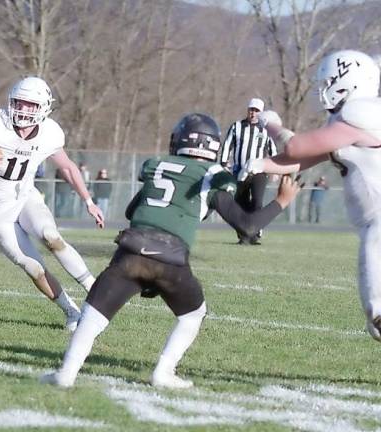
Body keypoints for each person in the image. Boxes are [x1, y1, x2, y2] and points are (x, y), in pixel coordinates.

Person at [41, 113, 301, 389]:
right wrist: (281, 202)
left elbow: (132, 211)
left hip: (131, 252)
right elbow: (248, 226)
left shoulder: (158, 165)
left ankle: (66, 373)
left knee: (94, 312)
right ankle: (163, 372)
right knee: (192, 315)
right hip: (171, 258)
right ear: (212, 145)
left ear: (178, 141)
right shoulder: (213, 175)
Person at [238, 49, 381, 342]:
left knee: (377, 310)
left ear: (348, 81)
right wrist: (261, 164)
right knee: (375, 319)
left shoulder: (362, 112)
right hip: (373, 225)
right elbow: (304, 158)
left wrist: (271, 123)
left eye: (329, 81)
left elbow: (296, 147)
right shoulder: (344, 121)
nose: (323, 89)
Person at [0, 76, 104, 331]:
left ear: (43, 107)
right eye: (19, 102)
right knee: (33, 266)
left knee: (51, 236)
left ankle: (95, 291)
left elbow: (67, 166)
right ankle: (71, 311)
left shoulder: (50, 133)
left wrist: (89, 201)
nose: (23, 109)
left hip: (25, 196)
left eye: (31, 105)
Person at [219, 97, 278, 245]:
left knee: (257, 202)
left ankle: (256, 233)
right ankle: (243, 234)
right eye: (251, 109)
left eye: (257, 111)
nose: (253, 113)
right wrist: (224, 163)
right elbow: (227, 145)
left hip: (259, 171)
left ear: (261, 112)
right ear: (248, 110)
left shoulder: (265, 130)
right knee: (241, 203)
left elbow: (273, 150)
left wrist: (275, 169)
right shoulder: (237, 126)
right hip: (239, 171)